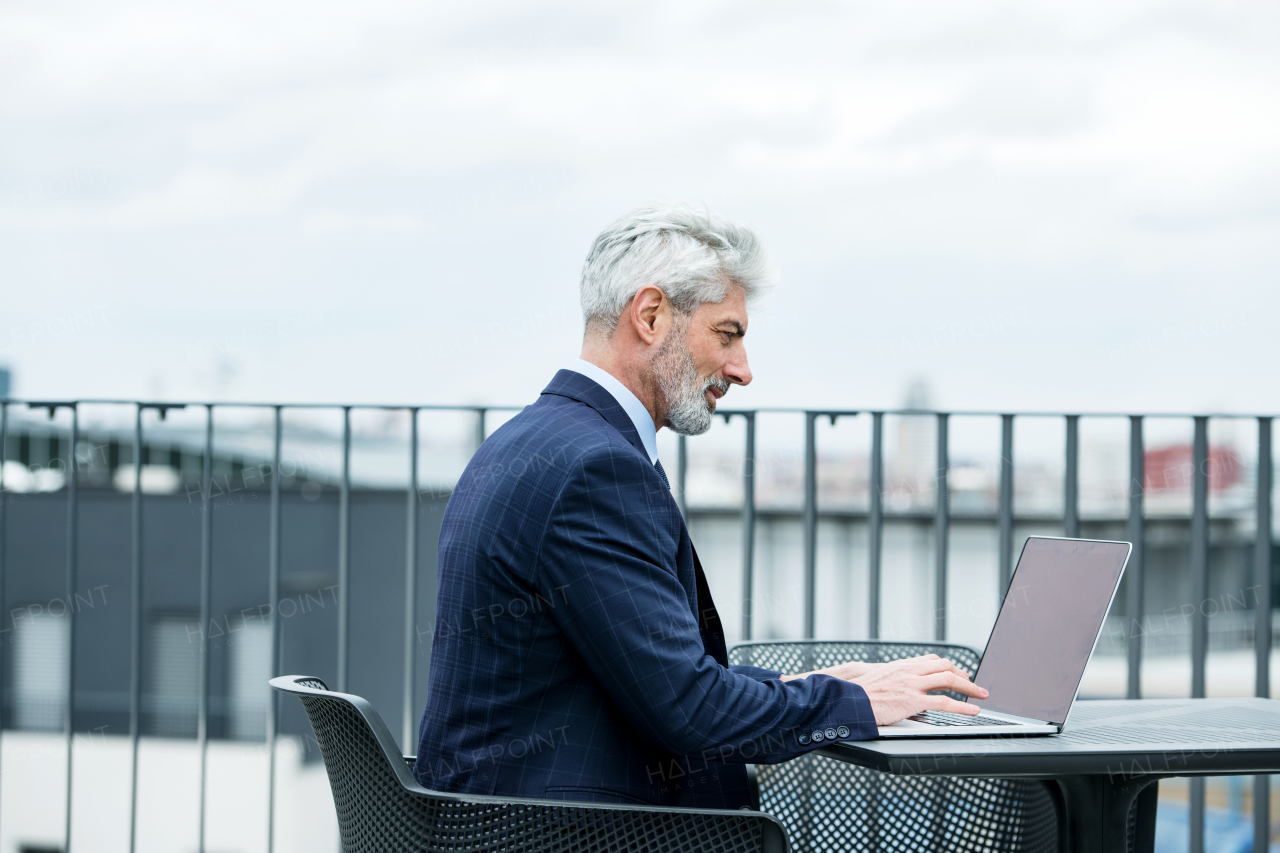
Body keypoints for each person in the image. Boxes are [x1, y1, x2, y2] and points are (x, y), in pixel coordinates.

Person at [413, 202, 987, 809]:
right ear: (652, 315)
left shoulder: (525, 442)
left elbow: (653, 677)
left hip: (505, 819)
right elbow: (689, 712)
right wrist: (859, 704)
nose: (742, 370)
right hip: (571, 832)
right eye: (727, 334)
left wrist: (820, 687)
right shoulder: (596, 469)